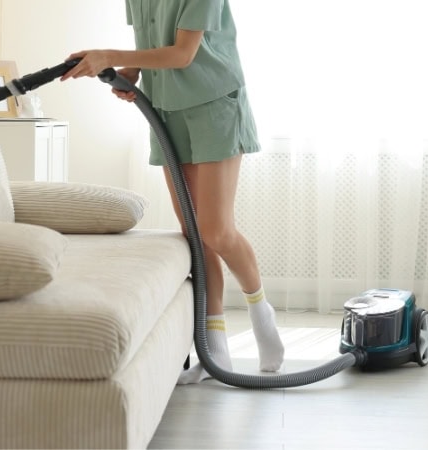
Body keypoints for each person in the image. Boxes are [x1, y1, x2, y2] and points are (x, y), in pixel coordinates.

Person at [61, 0, 284, 384]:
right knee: (195, 238)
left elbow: (183, 54)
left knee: (216, 230)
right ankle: (217, 354)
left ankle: (261, 313)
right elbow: (151, 40)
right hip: (168, 112)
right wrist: (132, 71)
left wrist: (108, 55)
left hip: (215, 105)